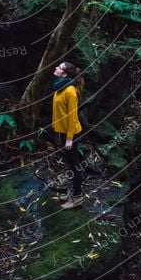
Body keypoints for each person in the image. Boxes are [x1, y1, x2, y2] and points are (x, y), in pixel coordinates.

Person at [51, 61, 84, 209]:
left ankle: (77, 198)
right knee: (70, 165)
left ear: (64, 73)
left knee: (75, 166)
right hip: (63, 132)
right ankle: (71, 193)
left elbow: (73, 118)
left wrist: (69, 139)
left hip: (72, 134)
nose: (56, 68)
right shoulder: (59, 87)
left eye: (59, 67)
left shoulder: (70, 91)